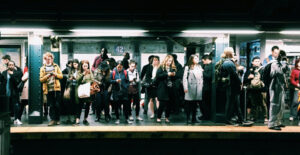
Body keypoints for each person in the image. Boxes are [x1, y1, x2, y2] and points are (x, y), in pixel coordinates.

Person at [220, 47, 252, 126]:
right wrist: (240, 83)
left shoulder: (227, 62)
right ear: (229, 53)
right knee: (231, 103)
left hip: (231, 86)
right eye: (233, 52)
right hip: (232, 86)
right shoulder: (229, 63)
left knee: (235, 104)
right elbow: (234, 75)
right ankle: (228, 120)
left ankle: (240, 120)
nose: (234, 54)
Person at [40, 52, 63, 126]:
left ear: (52, 59)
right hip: (48, 89)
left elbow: (61, 76)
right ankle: (52, 120)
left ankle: (57, 119)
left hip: (56, 89)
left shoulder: (56, 66)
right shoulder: (42, 68)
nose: (48, 60)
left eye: (49, 59)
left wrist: (55, 74)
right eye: (46, 59)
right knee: (51, 105)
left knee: (57, 104)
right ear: (44, 59)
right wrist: (47, 76)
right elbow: (41, 80)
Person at [268, 50, 289, 130]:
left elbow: (286, 71)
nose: (282, 56)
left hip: (280, 87)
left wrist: (285, 63)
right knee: (274, 105)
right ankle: (272, 124)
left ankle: (278, 122)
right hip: (274, 87)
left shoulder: (280, 63)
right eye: (281, 55)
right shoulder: (274, 63)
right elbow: (280, 72)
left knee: (281, 105)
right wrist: (284, 64)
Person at [243, 56, 267, 122]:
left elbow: (266, 79)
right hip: (252, 90)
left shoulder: (263, 70)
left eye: (258, 61)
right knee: (253, 104)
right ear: (252, 62)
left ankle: (265, 117)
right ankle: (254, 117)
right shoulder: (249, 71)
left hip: (261, 90)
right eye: (255, 61)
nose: (257, 62)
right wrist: (248, 78)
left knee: (263, 104)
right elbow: (244, 81)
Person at [156, 55, 178, 123]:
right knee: (162, 104)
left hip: (170, 88)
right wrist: (167, 74)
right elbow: (158, 76)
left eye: (171, 61)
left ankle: (167, 117)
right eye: (168, 61)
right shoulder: (161, 67)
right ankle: (158, 117)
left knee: (169, 104)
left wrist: (174, 74)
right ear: (165, 60)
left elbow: (176, 77)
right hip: (162, 88)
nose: (169, 62)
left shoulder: (173, 68)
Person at [183, 54, 203, 124]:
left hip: (198, 87)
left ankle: (194, 118)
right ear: (191, 59)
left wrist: (201, 86)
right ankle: (188, 118)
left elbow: (201, 78)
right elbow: (184, 78)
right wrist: (185, 87)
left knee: (195, 104)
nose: (197, 60)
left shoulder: (199, 67)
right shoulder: (187, 67)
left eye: (197, 58)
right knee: (189, 104)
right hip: (190, 87)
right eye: (195, 58)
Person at [75, 60, 94, 125]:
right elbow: (77, 80)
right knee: (79, 105)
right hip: (81, 90)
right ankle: (77, 119)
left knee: (88, 105)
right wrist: (83, 74)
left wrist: (88, 83)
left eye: (87, 66)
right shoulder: (79, 72)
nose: (85, 67)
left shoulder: (90, 72)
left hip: (88, 90)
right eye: (84, 66)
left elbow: (92, 79)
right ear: (81, 66)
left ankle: (85, 119)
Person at [61, 59, 73, 123]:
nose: (70, 65)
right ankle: (69, 116)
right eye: (70, 64)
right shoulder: (68, 70)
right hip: (69, 88)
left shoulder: (64, 70)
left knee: (67, 102)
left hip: (66, 89)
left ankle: (68, 116)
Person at [201, 54, 213, 120]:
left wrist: (202, 72)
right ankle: (205, 115)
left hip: (207, 87)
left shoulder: (210, 66)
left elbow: (208, 76)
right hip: (206, 86)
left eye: (203, 61)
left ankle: (206, 116)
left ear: (207, 60)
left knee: (206, 102)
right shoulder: (207, 65)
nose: (203, 62)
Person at [289, 58, 300, 123]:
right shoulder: (294, 71)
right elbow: (292, 80)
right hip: (297, 88)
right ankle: (292, 115)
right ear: (297, 63)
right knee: (295, 101)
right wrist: (297, 84)